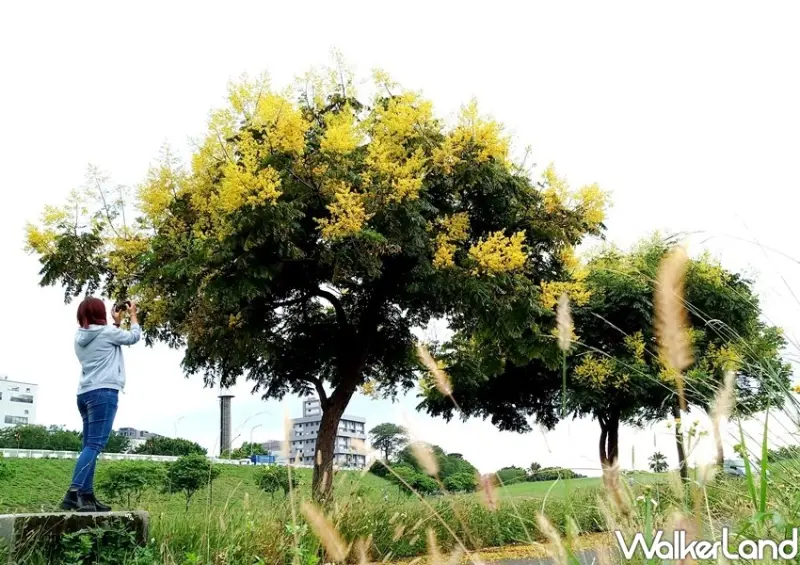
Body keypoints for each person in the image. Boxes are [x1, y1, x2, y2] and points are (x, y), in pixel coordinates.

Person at [61, 297, 141, 512]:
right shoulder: (106, 333)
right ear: (100, 313)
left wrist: (115, 323)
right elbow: (134, 336)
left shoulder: (79, 338)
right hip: (103, 392)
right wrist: (132, 315)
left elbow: (106, 342)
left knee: (89, 445)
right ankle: (73, 493)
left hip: (84, 393)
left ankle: (86, 496)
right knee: (95, 445)